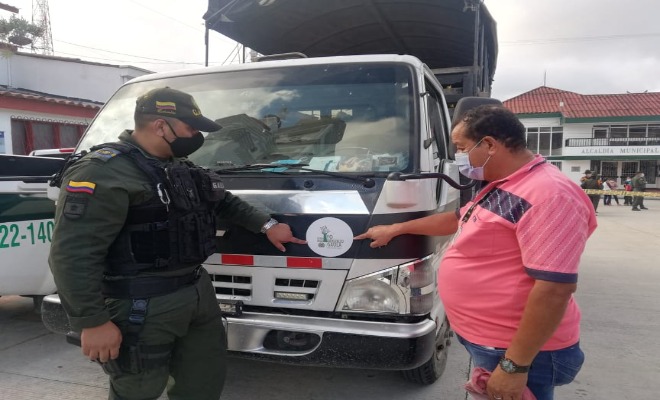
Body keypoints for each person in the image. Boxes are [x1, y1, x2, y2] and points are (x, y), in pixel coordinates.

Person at [49, 87, 307, 400]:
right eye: (191, 127)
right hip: (141, 303)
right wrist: (92, 322)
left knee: (203, 383)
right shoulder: (103, 171)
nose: (197, 136)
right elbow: (72, 255)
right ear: (161, 126)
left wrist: (268, 226)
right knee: (138, 390)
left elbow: (223, 201)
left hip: (197, 291)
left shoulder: (181, 166)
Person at [355, 105, 597, 400]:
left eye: (461, 148)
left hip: (520, 353)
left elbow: (554, 290)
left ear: (490, 145)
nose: (459, 157)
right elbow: (459, 218)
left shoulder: (550, 195)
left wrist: (513, 366)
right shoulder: (507, 183)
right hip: (494, 343)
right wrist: (396, 228)